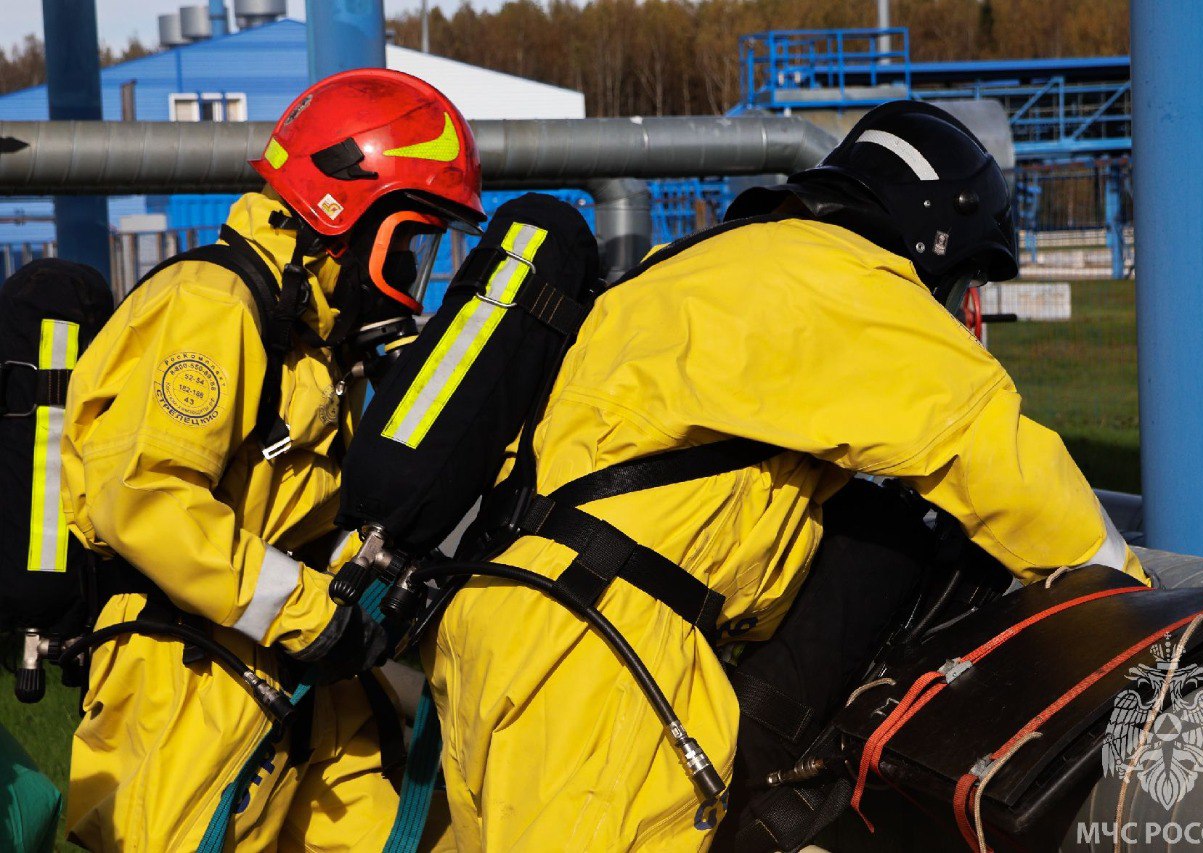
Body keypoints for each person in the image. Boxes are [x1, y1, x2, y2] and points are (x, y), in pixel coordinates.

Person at [424, 101, 1144, 850]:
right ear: (934, 237)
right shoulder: (852, 280)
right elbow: (987, 446)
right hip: (597, 659)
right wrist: (1128, 605)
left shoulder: (704, 260)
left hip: (507, 619)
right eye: (958, 281)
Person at [60, 68, 484, 851]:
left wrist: (381, 576)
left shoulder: (314, 348)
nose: (414, 287)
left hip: (297, 677)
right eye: (410, 241)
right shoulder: (210, 307)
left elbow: (302, 521)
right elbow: (146, 497)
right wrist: (309, 612)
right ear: (343, 209)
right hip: (182, 681)